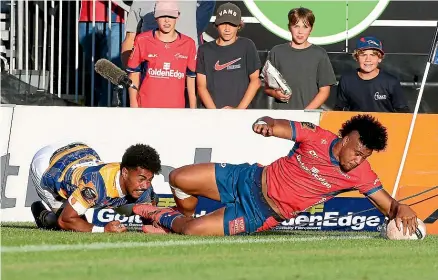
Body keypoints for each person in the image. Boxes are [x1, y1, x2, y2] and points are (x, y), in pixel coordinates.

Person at [133, 114, 419, 237]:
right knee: (179, 178)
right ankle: (182, 218)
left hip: (261, 213)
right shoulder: (316, 136)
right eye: (357, 152)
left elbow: (388, 205)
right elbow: (277, 124)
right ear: (344, 140)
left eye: (364, 157)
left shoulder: (361, 173)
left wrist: (400, 207)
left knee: (191, 233)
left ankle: (162, 217)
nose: (358, 160)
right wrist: (265, 124)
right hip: (246, 179)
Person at [30, 141, 161, 233]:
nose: (145, 185)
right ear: (125, 173)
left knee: (80, 224)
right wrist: (103, 230)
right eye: (142, 179)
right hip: (49, 164)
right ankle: (44, 216)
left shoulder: (144, 187)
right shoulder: (95, 186)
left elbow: (152, 210)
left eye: (150, 180)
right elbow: (66, 220)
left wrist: (155, 219)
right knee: (68, 226)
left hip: (80, 152)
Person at [126, 1, 197, 108]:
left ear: (177, 17)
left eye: (171, 16)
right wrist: (133, 105)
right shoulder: (142, 40)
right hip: (146, 107)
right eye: (162, 16)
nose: (167, 20)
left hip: (176, 109)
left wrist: (193, 109)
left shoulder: (188, 43)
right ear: (155, 17)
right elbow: (134, 75)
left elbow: (191, 80)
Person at [264, 7, 336, 110]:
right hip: (281, 117)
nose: (300, 31)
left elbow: (324, 91)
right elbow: (267, 87)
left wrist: (306, 112)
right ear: (289, 27)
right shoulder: (277, 52)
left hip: (308, 119)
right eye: (296, 26)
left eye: (305, 27)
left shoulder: (319, 54)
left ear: (311, 29)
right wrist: (276, 94)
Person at [196, 2, 261, 109]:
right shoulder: (205, 50)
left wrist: (238, 111)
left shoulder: (247, 46)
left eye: (232, 24)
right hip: (211, 115)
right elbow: (201, 86)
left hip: (241, 114)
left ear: (239, 25)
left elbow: (255, 81)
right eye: (223, 23)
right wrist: (216, 113)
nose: (227, 28)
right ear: (216, 25)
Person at [121, 0, 215, 67]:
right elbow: (129, 38)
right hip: (150, 69)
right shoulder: (140, 2)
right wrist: (130, 73)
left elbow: (209, 4)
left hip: (186, 66)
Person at [334, 36, 410, 112]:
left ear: (379, 58)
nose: (368, 59)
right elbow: (339, 110)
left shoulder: (391, 82)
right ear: (357, 57)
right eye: (363, 55)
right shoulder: (346, 80)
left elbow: (403, 112)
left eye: (373, 55)